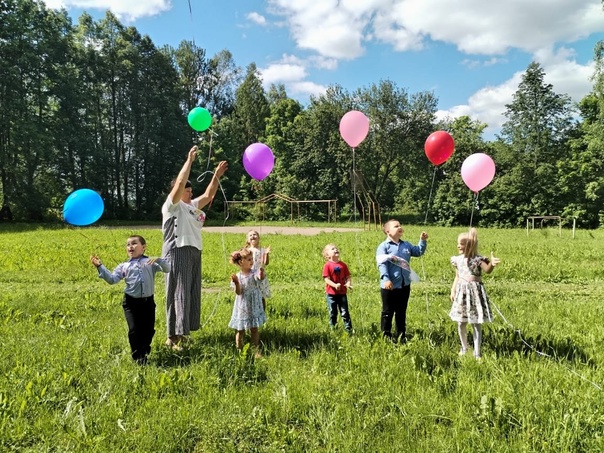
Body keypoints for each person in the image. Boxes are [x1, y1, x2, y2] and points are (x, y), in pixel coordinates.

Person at [162, 145, 228, 350]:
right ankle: (172, 338)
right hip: (177, 250)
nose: (190, 194)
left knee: (190, 292)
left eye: (191, 191)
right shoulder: (172, 205)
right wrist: (189, 161)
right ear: (178, 192)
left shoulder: (191, 207)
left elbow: (208, 195)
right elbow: (180, 181)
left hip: (193, 251)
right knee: (177, 292)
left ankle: (184, 333)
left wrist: (216, 175)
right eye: (186, 191)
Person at [90, 235, 170, 365]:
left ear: (143, 247)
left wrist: (159, 260)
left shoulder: (151, 262)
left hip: (148, 302)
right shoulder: (124, 266)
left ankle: (144, 349)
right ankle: (139, 358)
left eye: (134, 243)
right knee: (134, 330)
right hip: (131, 303)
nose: (130, 246)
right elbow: (112, 280)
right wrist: (100, 267)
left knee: (148, 330)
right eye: (128, 245)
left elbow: (168, 269)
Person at [449, 228, 500, 360]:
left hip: (475, 293)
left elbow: (487, 270)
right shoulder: (457, 260)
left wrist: (492, 264)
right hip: (462, 294)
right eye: (458, 243)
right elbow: (457, 276)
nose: (458, 246)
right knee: (461, 322)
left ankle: (477, 352)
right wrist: (453, 290)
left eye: (461, 243)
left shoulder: (478, 259)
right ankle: (464, 347)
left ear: (470, 245)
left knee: (476, 322)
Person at [376, 219, 428, 343]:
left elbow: (418, 251)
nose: (400, 227)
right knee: (387, 312)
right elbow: (381, 264)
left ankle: (401, 335)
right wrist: (386, 279)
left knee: (401, 311)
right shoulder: (384, 247)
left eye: (400, 225)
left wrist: (423, 241)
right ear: (388, 231)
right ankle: (386, 335)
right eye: (396, 226)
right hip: (389, 286)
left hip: (404, 285)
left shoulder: (407, 245)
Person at [228, 248, 267, 357]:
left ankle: (255, 350)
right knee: (240, 330)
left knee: (254, 329)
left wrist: (262, 273)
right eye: (249, 259)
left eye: (252, 259)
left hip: (253, 305)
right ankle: (240, 350)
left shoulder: (254, 273)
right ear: (241, 262)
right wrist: (236, 283)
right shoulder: (238, 277)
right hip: (242, 306)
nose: (252, 261)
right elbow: (238, 292)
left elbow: (260, 278)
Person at [322, 243, 353, 333]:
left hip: (342, 293)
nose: (335, 249)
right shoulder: (327, 265)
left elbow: (348, 277)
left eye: (336, 248)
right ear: (327, 255)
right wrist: (335, 285)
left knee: (345, 312)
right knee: (333, 313)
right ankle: (333, 329)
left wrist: (348, 284)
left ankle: (349, 330)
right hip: (331, 294)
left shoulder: (343, 265)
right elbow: (326, 279)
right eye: (332, 249)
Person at [244, 230, 271, 310]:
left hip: (260, 275)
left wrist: (266, 253)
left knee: (261, 295)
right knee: (250, 294)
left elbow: (265, 263)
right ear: (248, 240)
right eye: (250, 235)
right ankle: (250, 311)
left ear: (259, 238)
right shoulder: (247, 251)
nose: (253, 236)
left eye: (255, 234)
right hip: (250, 275)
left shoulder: (262, 250)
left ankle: (262, 312)